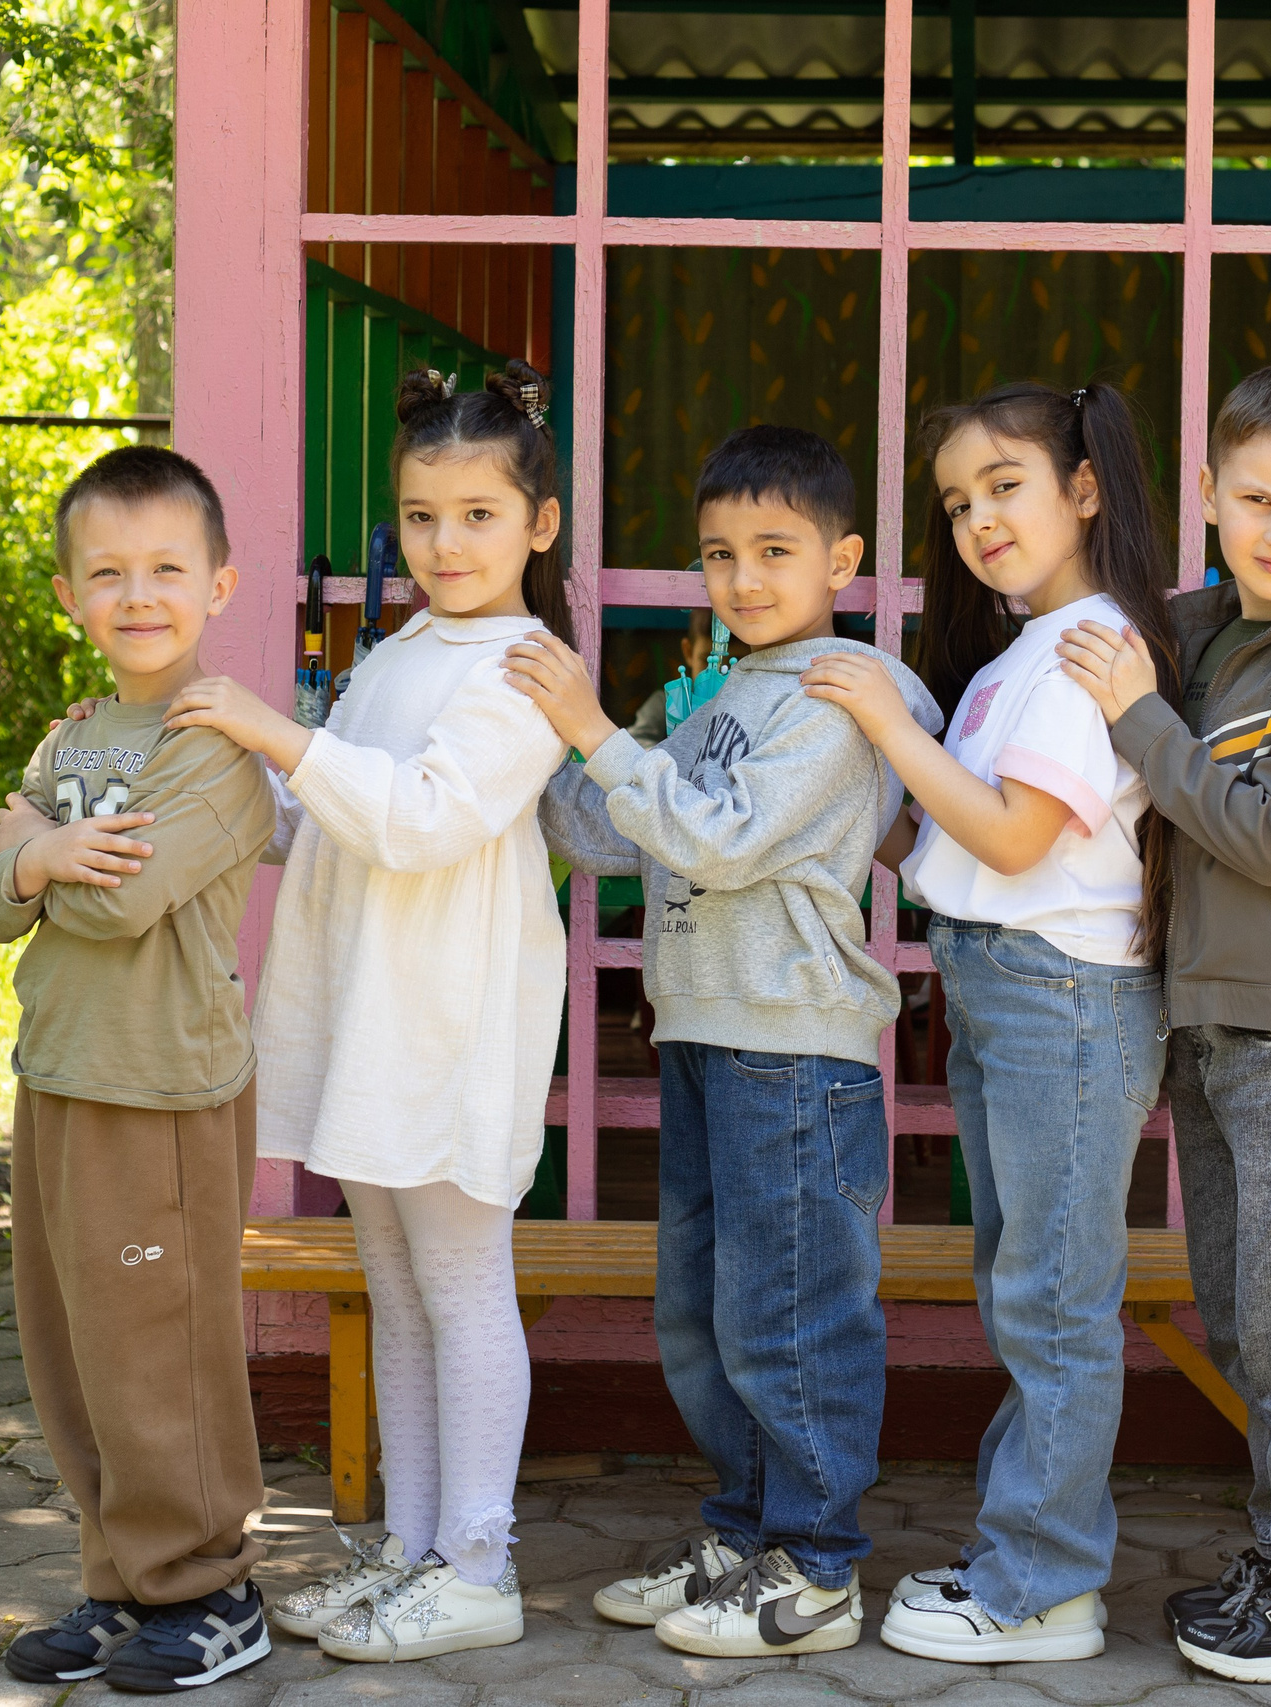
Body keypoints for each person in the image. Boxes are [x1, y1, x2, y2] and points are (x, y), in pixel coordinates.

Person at [158, 360, 573, 1663]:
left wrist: (277, 735)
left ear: (539, 524)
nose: (445, 544)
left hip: (447, 1025)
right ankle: (414, 1548)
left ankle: (480, 1562)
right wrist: (216, 765)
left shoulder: (526, 667)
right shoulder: (400, 649)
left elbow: (422, 817)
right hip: (369, 1020)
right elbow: (321, 814)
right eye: (422, 515)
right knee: (393, 1288)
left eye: (479, 515)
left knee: (459, 1283)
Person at [507, 425, 940, 1659]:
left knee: (791, 1312)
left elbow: (718, 842)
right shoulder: (720, 693)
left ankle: (816, 1564)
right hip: (706, 1031)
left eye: (775, 551)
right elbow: (611, 839)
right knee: (702, 1312)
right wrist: (545, 738)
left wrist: (599, 732)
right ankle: (746, 1533)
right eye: (718, 554)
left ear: (842, 559)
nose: (743, 579)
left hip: (793, 1047)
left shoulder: (840, 694)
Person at [793, 379, 1176, 1664]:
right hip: (1007, 990)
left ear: (1083, 487)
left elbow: (1012, 838)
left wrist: (889, 723)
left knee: (1056, 1303)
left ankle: (1045, 1586)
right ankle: (1023, 1553)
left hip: (1061, 998)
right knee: (1028, 1291)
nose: (977, 519)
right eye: (956, 501)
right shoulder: (1029, 646)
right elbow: (951, 841)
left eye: (1004, 486)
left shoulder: (1084, 651)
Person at [1056, 362, 1271, 1687]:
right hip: (1209, 1021)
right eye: (1254, 496)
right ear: (1208, 492)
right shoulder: (1194, 625)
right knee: (1244, 1308)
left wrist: (1139, 719)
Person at [0, 445, 277, 1693]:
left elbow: (126, 897)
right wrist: (39, 859)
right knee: (72, 1348)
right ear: (68, 595)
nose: (137, 595)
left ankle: (211, 1589)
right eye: (107, 572)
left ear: (219, 585)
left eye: (165, 569)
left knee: (160, 1352)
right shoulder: (71, 736)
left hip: (166, 1092)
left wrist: (39, 853)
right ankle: (120, 1582)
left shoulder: (216, 744)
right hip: (59, 1075)